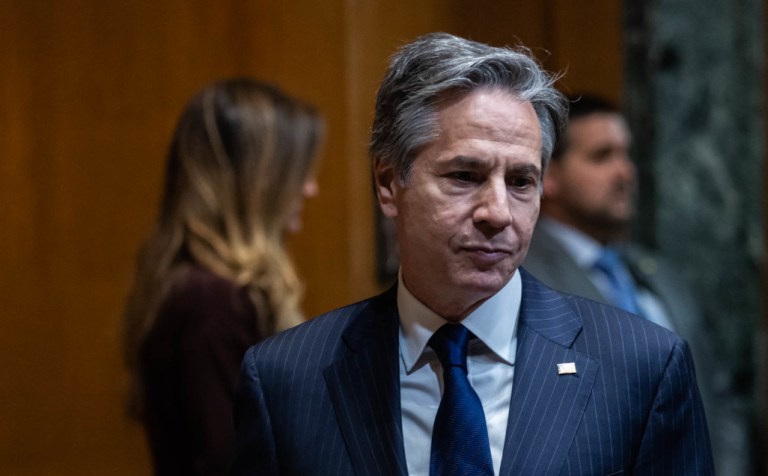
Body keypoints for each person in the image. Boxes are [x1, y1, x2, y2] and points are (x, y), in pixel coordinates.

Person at [229, 33, 713, 475]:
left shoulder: (642, 367)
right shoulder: (287, 379)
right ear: (387, 183)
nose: (498, 212)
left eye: (521, 182)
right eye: (465, 177)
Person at [523, 94, 743, 475]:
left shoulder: (662, 274)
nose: (625, 172)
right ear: (549, 176)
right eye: (602, 156)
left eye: (627, 155)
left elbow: (720, 395)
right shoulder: (522, 277)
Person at [121, 77, 324, 476]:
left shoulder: (203, 291)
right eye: (297, 171)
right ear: (257, 181)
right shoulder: (211, 303)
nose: (311, 187)